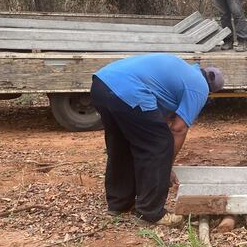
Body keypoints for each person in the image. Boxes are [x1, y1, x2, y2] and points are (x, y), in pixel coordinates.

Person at [90, 54, 224, 226]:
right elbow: (178, 129)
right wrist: (166, 166)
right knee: (160, 144)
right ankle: (150, 212)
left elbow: (157, 115)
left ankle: (119, 203)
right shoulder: (200, 88)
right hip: (129, 90)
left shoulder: (183, 71)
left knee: (122, 145)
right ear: (211, 89)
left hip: (102, 84)